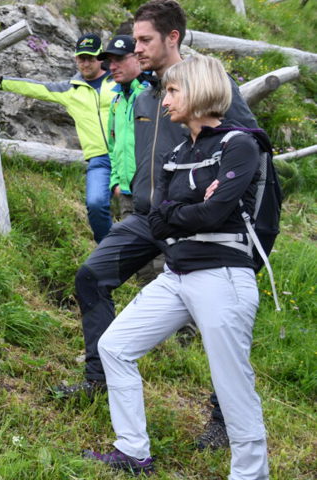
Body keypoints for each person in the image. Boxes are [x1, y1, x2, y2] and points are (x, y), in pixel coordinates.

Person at [53, 0, 261, 452]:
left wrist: (254, 232)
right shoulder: (144, 93)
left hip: (205, 226)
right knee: (92, 275)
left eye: (145, 40)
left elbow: (251, 156)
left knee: (220, 324)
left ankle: (226, 418)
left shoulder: (209, 86)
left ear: (173, 38)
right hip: (147, 215)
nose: (136, 47)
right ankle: (101, 379)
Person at [84, 54, 270, 479]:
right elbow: (155, 214)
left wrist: (185, 212)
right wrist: (192, 209)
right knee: (115, 347)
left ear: (201, 90)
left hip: (223, 276)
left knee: (233, 385)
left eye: (172, 90)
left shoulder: (239, 143)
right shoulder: (179, 150)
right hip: (177, 274)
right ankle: (133, 451)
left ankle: (251, 475)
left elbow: (213, 214)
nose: (164, 100)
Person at [0, 33, 117, 243]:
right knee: (95, 204)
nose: (85, 63)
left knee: (142, 204)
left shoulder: (119, 80)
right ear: (76, 59)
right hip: (99, 159)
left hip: (128, 154)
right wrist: (0, 81)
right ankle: (110, 250)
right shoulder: (70, 89)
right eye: (81, 58)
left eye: (91, 58)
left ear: (101, 58)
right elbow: (37, 87)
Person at [99, 34, 151, 220]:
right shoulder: (117, 101)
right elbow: (113, 145)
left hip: (155, 192)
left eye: (119, 59)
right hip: (126, 194)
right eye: (110, 62)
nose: (112, 67)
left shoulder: (154, 93)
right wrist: (116, 183)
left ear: (138, 57)